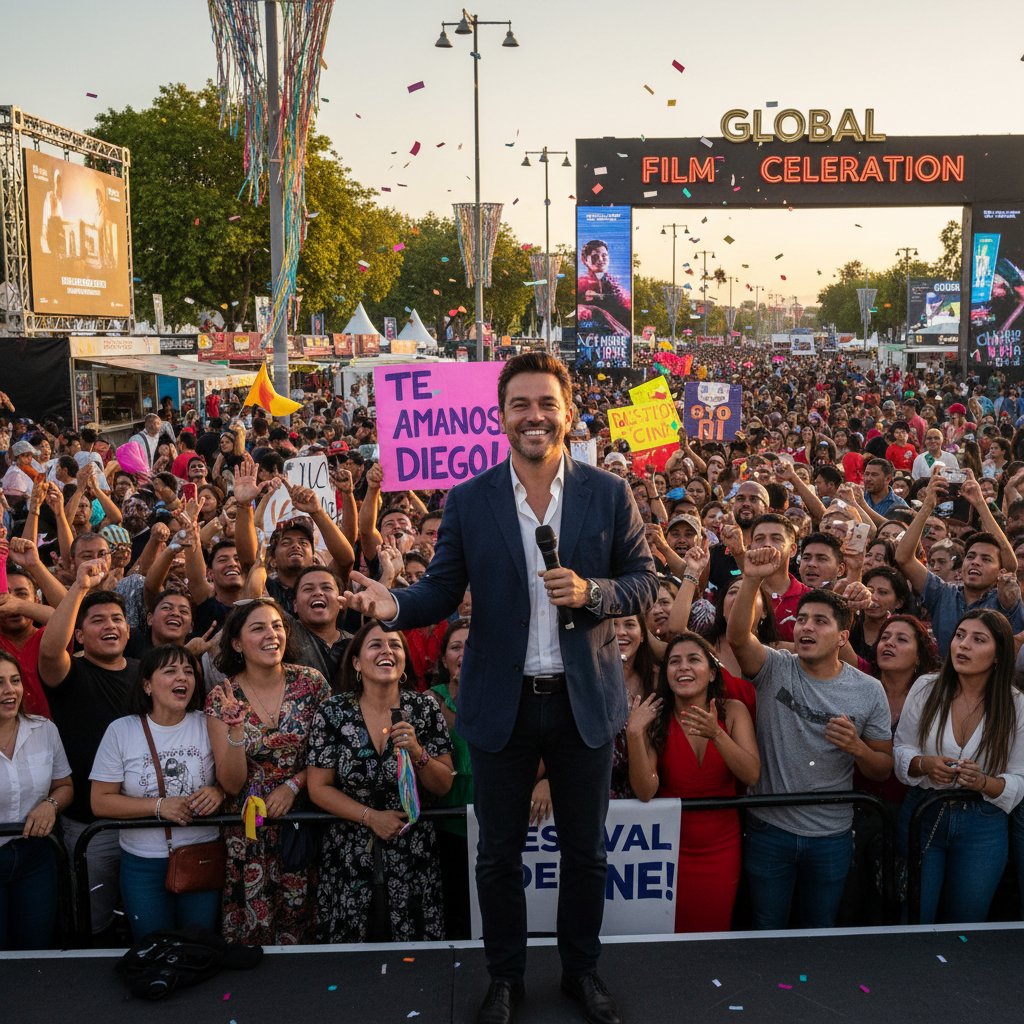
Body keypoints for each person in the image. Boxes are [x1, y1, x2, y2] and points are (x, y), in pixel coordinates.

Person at [343, 352, 657, 1024]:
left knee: (587, 854)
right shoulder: (471, 498)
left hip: (583, 705)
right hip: (501, 706)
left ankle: (582, 972)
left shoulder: (608, 493)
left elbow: (644, 581)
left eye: (546, 403)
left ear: (568, 412)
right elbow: (440, 590)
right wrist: (391, 605)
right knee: (497, 857)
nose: (534, 416)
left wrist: (592, 591)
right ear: (501, 415)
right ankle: (506, 978)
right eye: (520, 405)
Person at [725, 546, 893, 930]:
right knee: (768, 925)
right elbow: (738, 639)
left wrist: (858, 748)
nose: (806, 628)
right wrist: (751, 578)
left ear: (842, 636)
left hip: (830, 834)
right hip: (770, 829)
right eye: (801, 620)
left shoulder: (868, 691)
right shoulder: (776, 668)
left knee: (820, 930)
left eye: (820, 621)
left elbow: (883, 768)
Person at [306, 622, 454, 943]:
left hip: (412, 853)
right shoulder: (333, 712)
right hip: (349, 851)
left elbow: (443, 785)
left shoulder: (424, 708)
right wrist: (370, 817)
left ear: (403, 663)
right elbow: (318, 788)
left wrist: (418, 752)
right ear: (357, 663)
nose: (387, 651)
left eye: (395, 645)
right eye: (375, 645)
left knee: (412, 957)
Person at [205, 599, 331, 945]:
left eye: (276, 626)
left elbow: (330, 754)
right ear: (236, 643)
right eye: (258, 628)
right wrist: (234, 730)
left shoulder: (311, 683)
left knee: (307, 921)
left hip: (305, 820)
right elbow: (230, 784)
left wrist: (293, 784)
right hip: (251, 831)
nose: (271, 634)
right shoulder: (222, 697)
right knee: (255, 931)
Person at [894, 610, 1024, 923]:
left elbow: (1019, 779)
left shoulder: (1015, 704)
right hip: (924, 813)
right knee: (913, 919)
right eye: (959, 635)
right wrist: (924, 764)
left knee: (967, 925)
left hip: (983, 825)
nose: (962, 645)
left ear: (998, 655)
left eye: (978, 639)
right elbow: (901, 748)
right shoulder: (926, 687)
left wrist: (982, 783)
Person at [626, 632, 759, 933]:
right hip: (667, 850)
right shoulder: (655, 718)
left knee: (713, 930)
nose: (683, 667)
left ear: (712, 672)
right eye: (674, 662)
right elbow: (645, 791)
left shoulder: (734, 711)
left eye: (693, 659)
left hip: (722, 846)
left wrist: (717, 734)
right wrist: (634, 735)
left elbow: (751, 774)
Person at [90, 645, 225, 940]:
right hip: (142, 862)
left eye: (189, 671)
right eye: (171, 671)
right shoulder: (121, 731)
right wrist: (159, 807)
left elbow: (234, 778)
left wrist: (219, 792)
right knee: (153, 945)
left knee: (199, 943)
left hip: (201, 854)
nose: (183, 678)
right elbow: (100, 801)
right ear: (147, 685)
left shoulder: (208, 723)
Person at [38, 563, 137, 937]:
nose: (110, 626)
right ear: (78, 636)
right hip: (88, 828)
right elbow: (49, 650)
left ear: (129, 629)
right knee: (92, 925)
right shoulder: (69, 673)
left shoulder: (147, 675)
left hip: (147, 823)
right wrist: (79, 588)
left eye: (117, 618)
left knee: (145, 919)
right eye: (97, 621)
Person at [895, 473, 1024, 655]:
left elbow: (1011, 565)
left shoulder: (1004, 600)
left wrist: (980, 503)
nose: (976, 562)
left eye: (986, 559)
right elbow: (904, 558)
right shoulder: (942, 593)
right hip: (945, 680)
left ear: (1000, 571)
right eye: (971, 556)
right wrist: (928, 506)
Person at [0, 650, 73, 950]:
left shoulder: (45, 729)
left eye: (14, 680)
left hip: (37, 856)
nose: (9, 690)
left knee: (36, 949)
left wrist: (50, 805)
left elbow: (65, 785)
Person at [427, 618, 475, 938]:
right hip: (444, 827)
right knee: (457, 913)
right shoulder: (428, 701)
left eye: (473, 646)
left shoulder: (508, 697)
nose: (464, 653)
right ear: (444, 658)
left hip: (492, 827)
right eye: (456, 646)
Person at [577, 240, 631, 336]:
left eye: (604, 255)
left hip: (617, 338)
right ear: (585, 260)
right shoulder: (581, 284)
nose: (601, 259)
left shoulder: (617, 287)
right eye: (595, 256)